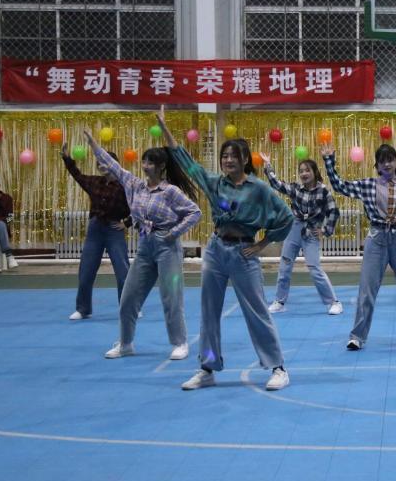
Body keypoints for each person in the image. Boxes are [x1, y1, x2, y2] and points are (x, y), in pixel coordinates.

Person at [156, 109, 294, 392]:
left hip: (244, 254)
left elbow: (286, 217)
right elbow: (187, 163)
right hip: (216, 251)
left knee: (257, 311)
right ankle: (207, 368)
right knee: (209, 311)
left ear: (245, 160)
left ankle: (277, 367)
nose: (228, 160)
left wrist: (262, 244)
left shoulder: (258, 189)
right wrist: (165, 129)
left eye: (233, 156)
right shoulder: (215, 183)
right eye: (225, 156)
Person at [84, 129, 201, 363]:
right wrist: (93, 144)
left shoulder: (170, 191)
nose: (145, 166)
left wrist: (174, 233)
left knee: (171, 297)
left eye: (150, 162)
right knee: (128, 297)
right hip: (145, 247)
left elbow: (194, 212)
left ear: (161, 166)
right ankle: (125, 343)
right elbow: (114, 166)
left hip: (167, 248)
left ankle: (180, 342)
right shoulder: (134, 185)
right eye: (144, 161)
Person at [321, 142, 396, 350]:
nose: (387, 164)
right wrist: (329, 161)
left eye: (390, 160)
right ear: (376, 165)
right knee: (366, 290)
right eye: (382, 161)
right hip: (376, 239)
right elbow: (340, 186)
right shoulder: (368, 185)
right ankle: (357, 337)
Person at [261, 154, 343, 315]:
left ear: (314, 172)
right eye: (301, 171)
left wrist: (325, 230)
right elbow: (277, 184)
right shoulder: (296, 189)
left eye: (307, 170)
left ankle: (334, 302)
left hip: (311, 231)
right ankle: (279, 301)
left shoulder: (323, 191)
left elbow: (334, 211)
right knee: (285, 265)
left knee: (314, 268)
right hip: (294, 228)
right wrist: (268, 165)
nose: (304, 174)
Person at [61, 143, 132, 321]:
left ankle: (130, 307)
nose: (101, 165)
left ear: (115, 164)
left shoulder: (126, 185)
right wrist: (67, 158)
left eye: (105, 162)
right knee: (86, 271)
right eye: (99, 163)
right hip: (95, 229)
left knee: (123, 271)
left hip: (114, 230)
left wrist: (127, 223)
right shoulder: (94, 182)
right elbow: (77, 175)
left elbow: (140, 207)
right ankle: (83, 309)